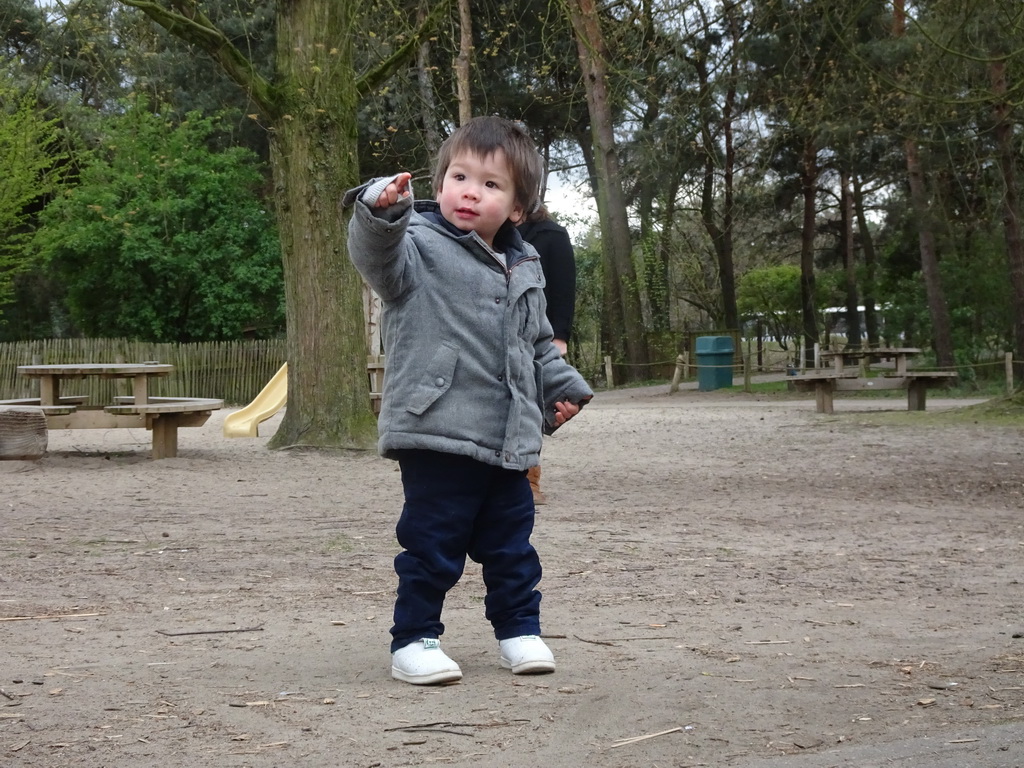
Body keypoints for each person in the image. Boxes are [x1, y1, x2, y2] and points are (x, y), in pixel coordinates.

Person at [343, 116, 594, 686]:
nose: (470, 191)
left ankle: (519, 630)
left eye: (491, 184)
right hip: (437, 428)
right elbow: (374, 257)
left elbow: (535, 341)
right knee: (433, 544)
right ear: (440, 182)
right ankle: (414, 640)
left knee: (512, 546)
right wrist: (379, 211)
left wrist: (563, 387)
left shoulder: (525, 264)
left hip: (509, 437)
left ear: (518, 207)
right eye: (460, 175)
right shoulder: (416, 246)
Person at [517, 206, 577, 505]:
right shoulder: (483, 229)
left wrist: (559, 337)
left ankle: (529, 478)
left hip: (536, 336)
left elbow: (564, 288)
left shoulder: (552, 235)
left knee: (530, 406)